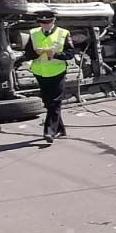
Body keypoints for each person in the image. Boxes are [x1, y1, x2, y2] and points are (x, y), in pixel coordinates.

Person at [22, 11, 77, 143]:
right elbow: (28, 53)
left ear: (54, 21)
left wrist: (56, 55)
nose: (45, 25)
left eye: (48, 22)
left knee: (55, 101)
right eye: (42, 23)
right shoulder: (34, 33)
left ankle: (49, 131)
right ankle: (60, 129)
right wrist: (36, 53)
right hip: (40, 72)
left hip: (57, 71)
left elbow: (70, 54)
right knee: (48, 102)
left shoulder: (63, 33)